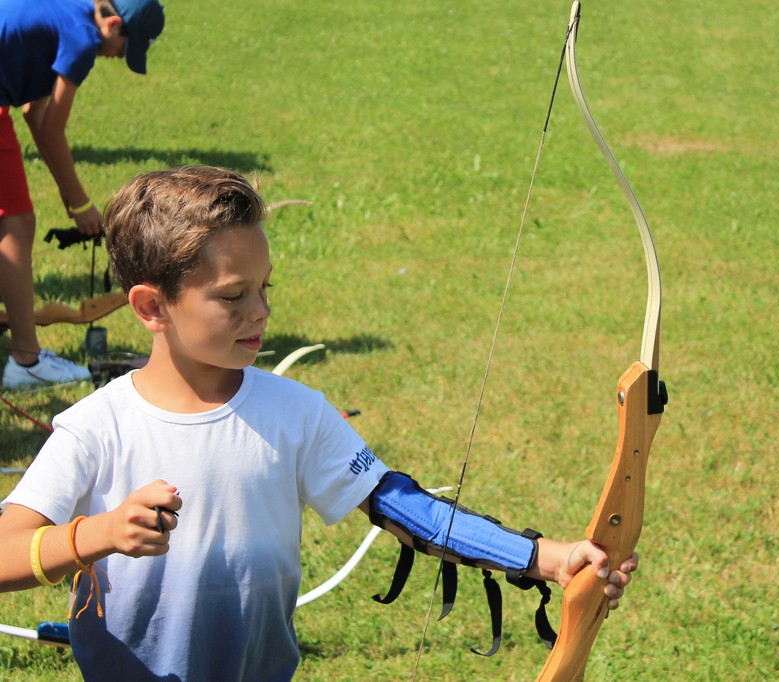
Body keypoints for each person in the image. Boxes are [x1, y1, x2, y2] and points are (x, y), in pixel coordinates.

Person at [0, 166, 639, 680]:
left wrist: (545, 558)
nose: (260, 311)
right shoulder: (96, 427)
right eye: (232, 296)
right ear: (151, 305)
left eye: (264, 288)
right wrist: (100, 533)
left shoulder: (294, 412)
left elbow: (401, 506)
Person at [0, 0, 165, 388]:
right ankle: (26, 361)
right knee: (16, 223)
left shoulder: (67, 9)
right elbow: (53, 129)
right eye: (126, 46)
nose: (119, 56)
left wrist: (74, 201)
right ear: (112, 24)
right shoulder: (82, 38)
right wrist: (81, 205)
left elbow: (35, 117)